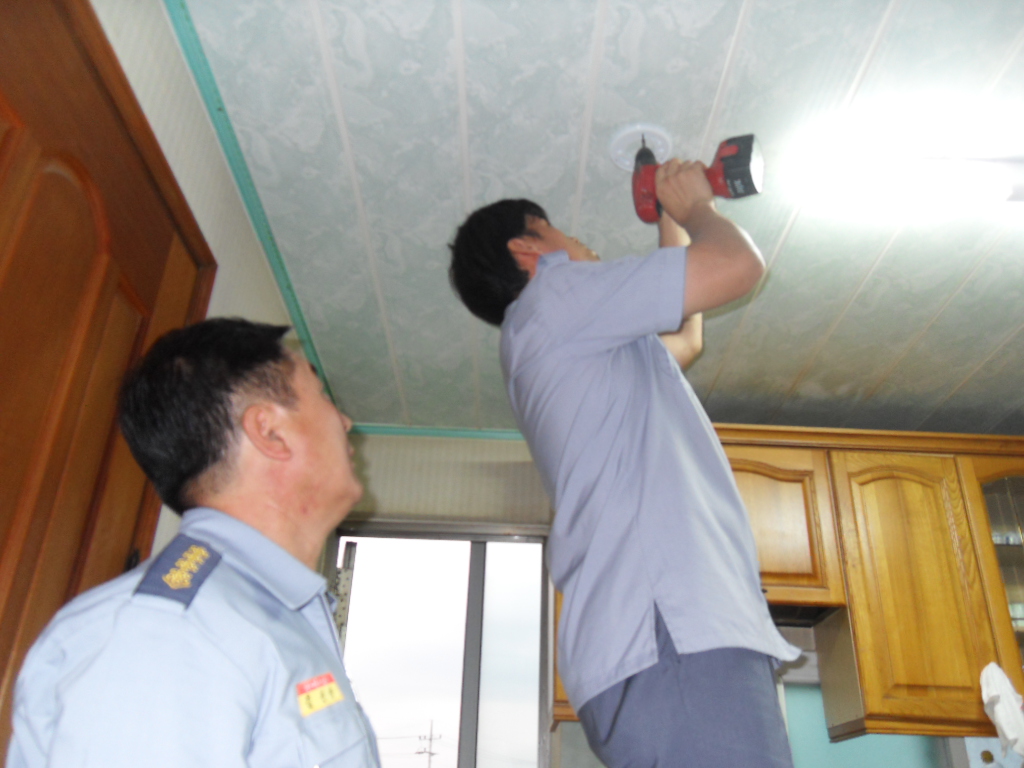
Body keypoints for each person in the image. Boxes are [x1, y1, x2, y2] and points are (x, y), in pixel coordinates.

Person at [448, 160, 800, 768]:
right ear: (528, 250)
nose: (579, 239)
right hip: (672, 635)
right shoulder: (554, 298)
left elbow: (685, 339)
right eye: (558, 229)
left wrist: (669, 216)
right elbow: (736, 266)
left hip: (658, 646)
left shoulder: (565, 340)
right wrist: (696, 206)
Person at [6, 318, 380, 768]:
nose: (345, 421)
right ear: (270, 432)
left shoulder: (256, 617)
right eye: (323, 397)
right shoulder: (166, 635)